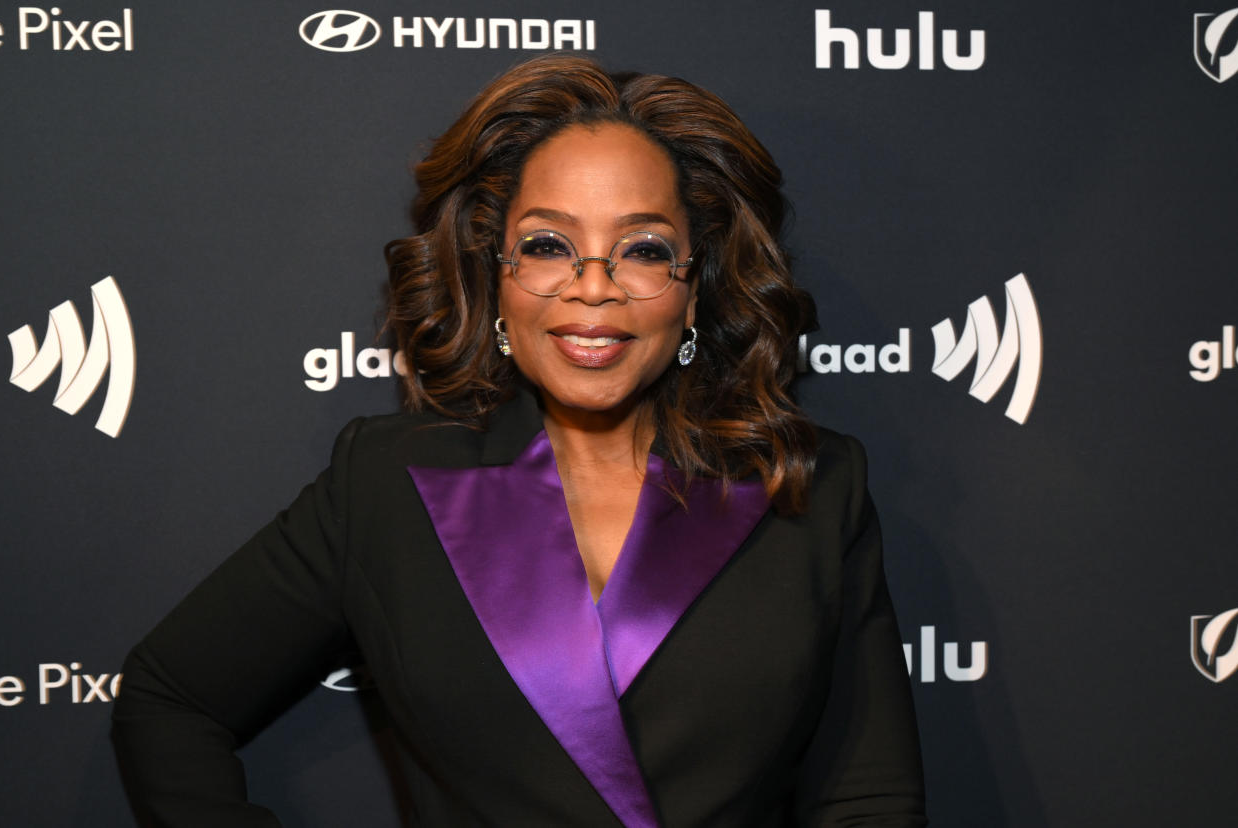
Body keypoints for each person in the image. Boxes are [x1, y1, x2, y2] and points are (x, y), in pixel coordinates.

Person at [111, 54, 926, 826]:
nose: (593, 286)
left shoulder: (810, 487)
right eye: (546, 245)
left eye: (643, 250)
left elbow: (869, 805)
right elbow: (169, 698)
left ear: (696, 287)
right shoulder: (388, 481)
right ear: (495, 273)